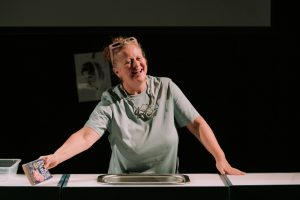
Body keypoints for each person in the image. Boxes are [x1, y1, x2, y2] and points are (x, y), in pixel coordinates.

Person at [40, 36, 245, 175]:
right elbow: (86, 136)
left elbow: (197, 124)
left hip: (167, 184)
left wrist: (220, 158)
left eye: (139, 58)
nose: (136, 64)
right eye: (128, 62)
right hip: (123, 186)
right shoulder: (110, 100)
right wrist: (56, 157)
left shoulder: (166, 87)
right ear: (117, 71)